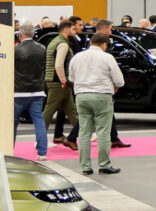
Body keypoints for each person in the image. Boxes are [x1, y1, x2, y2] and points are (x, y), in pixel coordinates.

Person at [68, 34, 123, 176]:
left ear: (91, 43)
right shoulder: (107, 57)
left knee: (84, 132)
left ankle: (86, 166)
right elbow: (119, 80)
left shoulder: (77, 57)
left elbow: (71, 78)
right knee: (103, 132)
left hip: (81, 96)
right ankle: (104, 164)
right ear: (104, 44)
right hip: (102, 95)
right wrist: (114, 85)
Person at [13, 22, 48, 158]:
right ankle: (42, 153)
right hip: (37, 91)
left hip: (18, 91)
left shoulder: (15, 49)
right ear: (33, 34)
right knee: (39, 121)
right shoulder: (42, 48)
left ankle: (9, 150)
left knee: (13, 122)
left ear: (20, 35)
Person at [44, 21, 78, 149]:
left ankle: (82, 133)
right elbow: (58, 65)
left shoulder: (55, 41)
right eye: (73, 29)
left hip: (56, 81)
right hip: (59, 82)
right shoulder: (63, 44)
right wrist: (64, 80)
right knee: (49, 111)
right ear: (66, 29)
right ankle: (40, 138)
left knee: (72, 110)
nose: (75, 32)